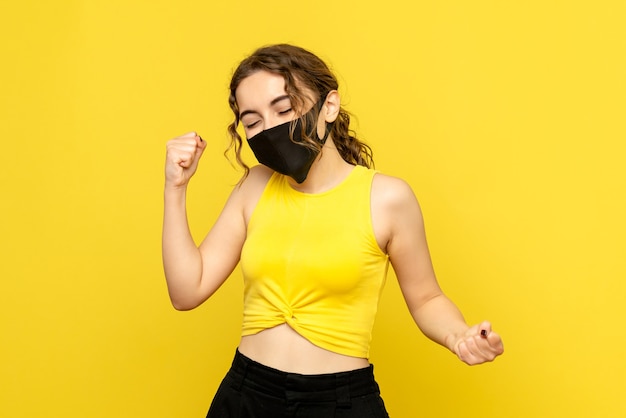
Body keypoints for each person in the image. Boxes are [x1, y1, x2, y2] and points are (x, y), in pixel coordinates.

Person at [162, 44, 504, 418]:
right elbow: (186, 290)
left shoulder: (387, 198)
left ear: (329, 106)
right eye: (253, 121)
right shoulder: (255, 186)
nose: (271, 127)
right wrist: (175, 188)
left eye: (284, 108)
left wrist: (458, 336)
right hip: (246, 395)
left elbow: (426, 299)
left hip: (339, 403)